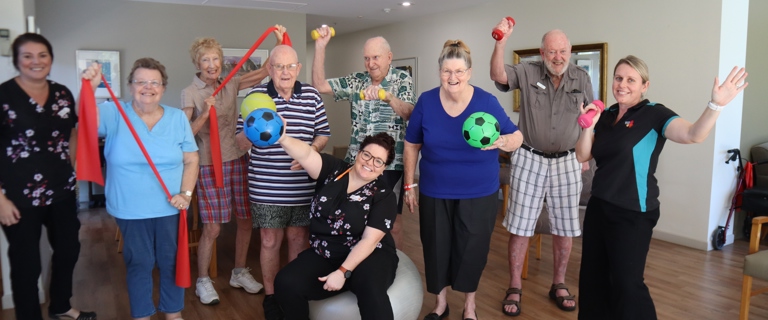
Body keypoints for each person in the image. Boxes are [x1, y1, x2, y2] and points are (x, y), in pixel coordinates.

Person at [575, 56, 748, 319]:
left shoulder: (654, 114)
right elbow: (582, 155)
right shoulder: (607, 115)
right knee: (592, 280)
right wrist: (588, 125)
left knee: (627, 284)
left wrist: (716, 105)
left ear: (644, 85)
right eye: (618, 78)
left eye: (631, 80)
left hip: (633, 211)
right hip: (599, 206)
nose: (622, 85)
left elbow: (693, 134)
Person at [404, 40, 523, 320]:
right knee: (436, 248)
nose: (452, 77)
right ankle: (440, 304)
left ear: (469, 72)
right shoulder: (427, 102)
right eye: (447, 71)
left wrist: (502, 141)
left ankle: (470, 306)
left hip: (479, 192)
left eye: (459, 71)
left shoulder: (486, 102)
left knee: (472, 250)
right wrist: (409, 185)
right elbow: (411, 144)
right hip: (435, 190)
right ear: (439, 71)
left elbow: (516, 136)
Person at [83, 58, 199, 320]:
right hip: (129, 207)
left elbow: (192, 159)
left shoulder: (177, 118)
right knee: (140, 262)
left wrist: (186, 194)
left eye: (154, 82)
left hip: (170, 206)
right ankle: (142, 315)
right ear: (130, 86)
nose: (148, 87)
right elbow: (87, 120)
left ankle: (173, 313)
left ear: (163, 88)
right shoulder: (114, 112)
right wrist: (89, 88)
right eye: (141, 82)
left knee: (171, 261)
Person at [490, 20, 593, 316]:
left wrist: (585, 154)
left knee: (565, 227)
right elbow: (498, 75)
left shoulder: (582, 77)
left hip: (568, 160)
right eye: (551, 52)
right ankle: (514, 285)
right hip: (529, 157)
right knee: (520, 226)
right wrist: (500, 42)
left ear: (570, 51)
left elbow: (591, 116)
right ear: (542, 52)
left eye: (562, 51)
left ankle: (558, 283)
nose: (557, 57)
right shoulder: (527, 71)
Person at [180, 26, 284, 305]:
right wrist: (205, 113)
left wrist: (277, 41)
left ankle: (239, 272)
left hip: (238, 160)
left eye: (215, 58)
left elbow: (264, 71)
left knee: (246, 220)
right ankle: (203, 280)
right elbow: (184, 134)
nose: (211, 64)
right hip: (209, 164)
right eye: (205, 59)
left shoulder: (230, 83)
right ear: (197, 64)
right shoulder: (190, 92)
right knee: (213, 228)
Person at [0, 33, 97, 320]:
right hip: (18, 196)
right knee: (26, 264)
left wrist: (72, 168)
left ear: (51, 59)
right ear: (17, 60)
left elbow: (72, 132)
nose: (36, 61)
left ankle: (61, 305)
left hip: (61, 190)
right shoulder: (4, 96)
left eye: (42, 55)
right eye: (27, 56)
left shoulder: (61, 93)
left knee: (69, 249)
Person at [243, 44, 331, 320]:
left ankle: (291, 293)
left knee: (298, 239)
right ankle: (271, 298)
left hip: (303, 187)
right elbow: (238, 141)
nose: (285, 72)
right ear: (269, 69)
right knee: (269, 241)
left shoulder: (312, 95)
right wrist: (255, 130)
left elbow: (323, 133)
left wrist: (311, 152)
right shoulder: (255, 96)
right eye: (279, 66)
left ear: (298, 68)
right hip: (266, 187)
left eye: (290, 66)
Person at [273, 132, 399, 320]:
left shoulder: (384, 195)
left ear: (383, 168)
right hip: (326, 252)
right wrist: (282, 138)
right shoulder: (334, 170)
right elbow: (306, 155)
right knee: (286, 282)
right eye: (367, 155)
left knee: (369, 285)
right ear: (358, 153)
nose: (370, 163)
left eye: (378, 161)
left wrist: (342, 272)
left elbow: (369, 241)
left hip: (371, 254)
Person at [312, 27, 414, 249]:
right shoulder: (356, 81)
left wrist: (388, 97)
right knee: (356, 217)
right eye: (367, 58)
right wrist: (320, 47)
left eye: (376, 57)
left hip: (390, 165)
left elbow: (409, 113)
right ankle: (358, 260)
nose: (371, 63)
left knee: (392, 223)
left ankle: (393, 261)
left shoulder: (402, 79)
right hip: (357, 163)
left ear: (389, 57)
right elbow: (320, 85)